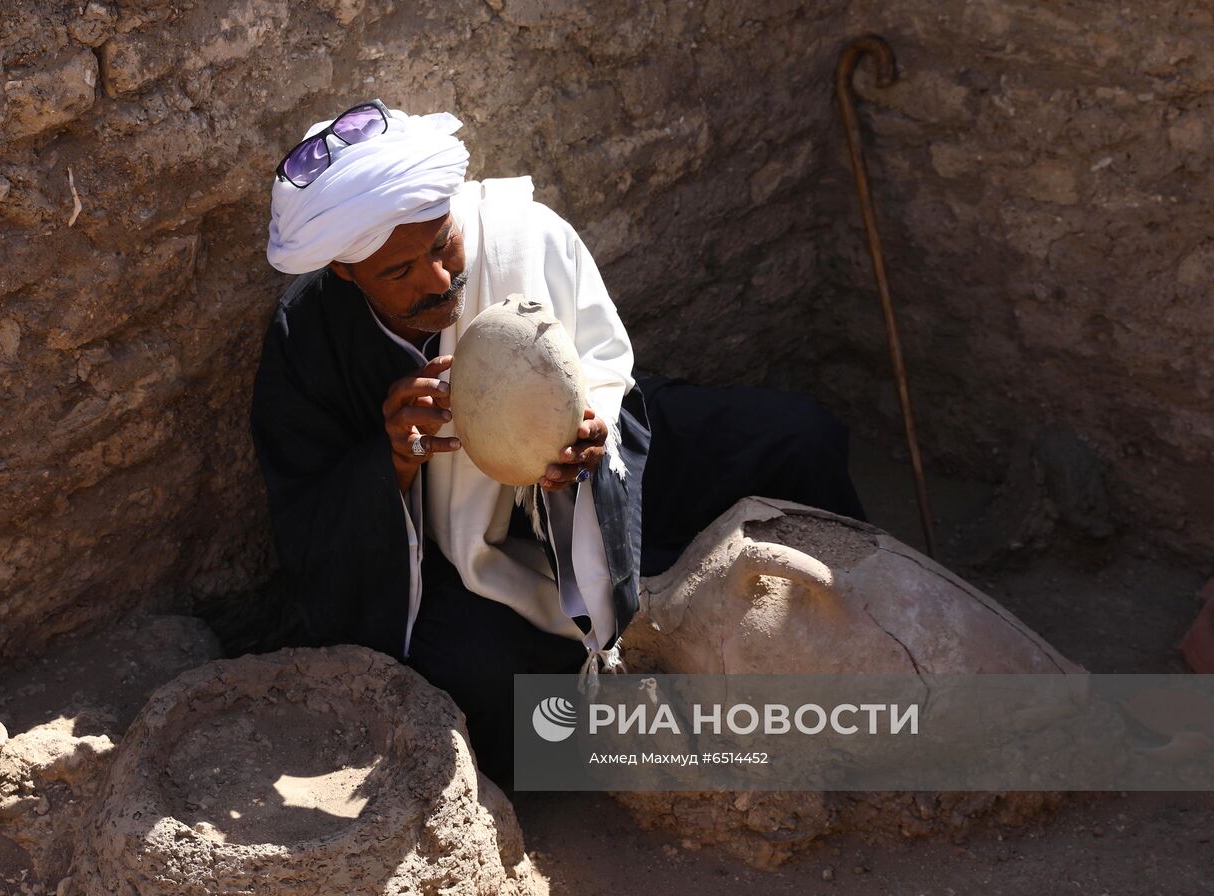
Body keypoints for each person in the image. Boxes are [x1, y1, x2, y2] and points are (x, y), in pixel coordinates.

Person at [251, 100, 865, 781]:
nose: (437, 281)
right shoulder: (306, 342)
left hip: (590, 473)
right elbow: (308, 518)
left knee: (797, 441)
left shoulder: (520, 237)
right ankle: (656, 734)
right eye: (398, 274)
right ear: (345, 272)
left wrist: (589, 429)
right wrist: (393, 459)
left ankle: (851, 639)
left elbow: (604, 363)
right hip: (450, 552)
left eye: (440, 245)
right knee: (494, 690)